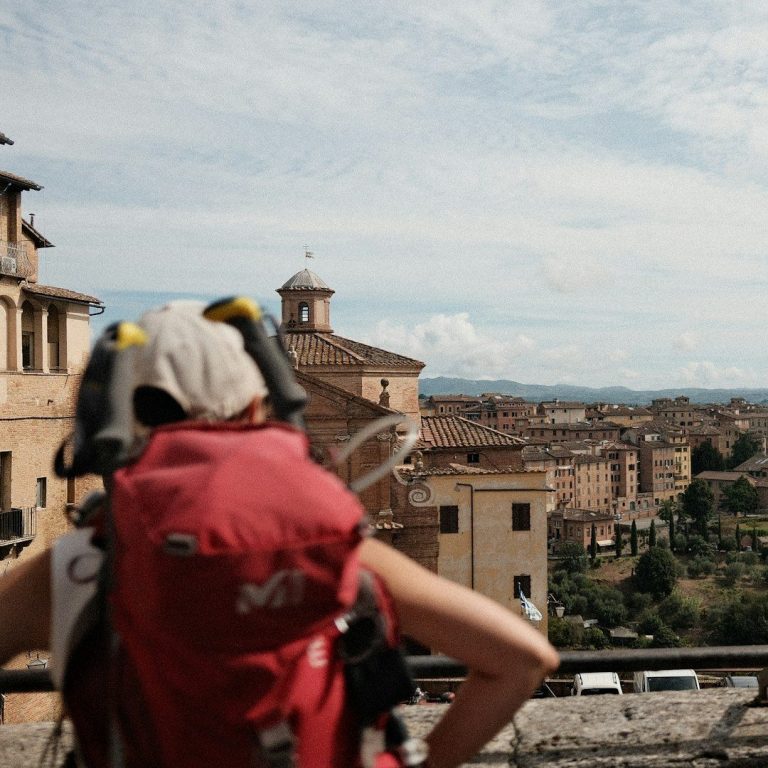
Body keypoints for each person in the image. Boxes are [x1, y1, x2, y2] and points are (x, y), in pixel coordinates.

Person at [0, 302, 558, 768]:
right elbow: (522, 659)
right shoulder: (332, 545)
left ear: (110, 419)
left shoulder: (83, 565)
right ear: (260, 406)